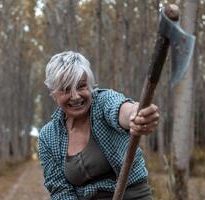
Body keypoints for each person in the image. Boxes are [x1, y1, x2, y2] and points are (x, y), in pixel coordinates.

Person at [38, 51, 159, 200]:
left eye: (81, 86)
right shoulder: (48, 136)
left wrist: (137, 114)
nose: (76, 96)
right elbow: (60, 191)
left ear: (89, 86)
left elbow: (121, 109)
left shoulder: (102, 103)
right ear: (54, 94)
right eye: (66, 89)